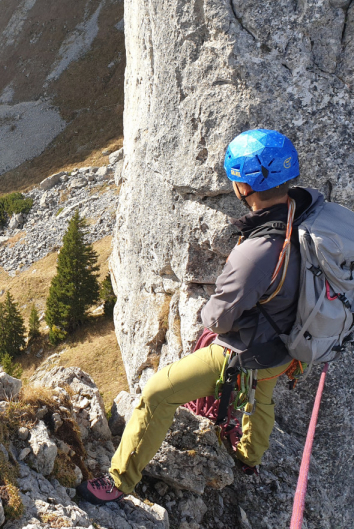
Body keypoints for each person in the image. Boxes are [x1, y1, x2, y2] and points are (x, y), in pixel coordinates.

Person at [78, 128, 325, 504]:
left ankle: (119, 481)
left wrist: (216, 304)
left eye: (236, 179)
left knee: (158, 393)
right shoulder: (308, 211)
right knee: (261, 394)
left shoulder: (255, 253)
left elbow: (218, 320)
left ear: (246, 186)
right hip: (291, 345)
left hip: (246, 351)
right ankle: (249, 456)